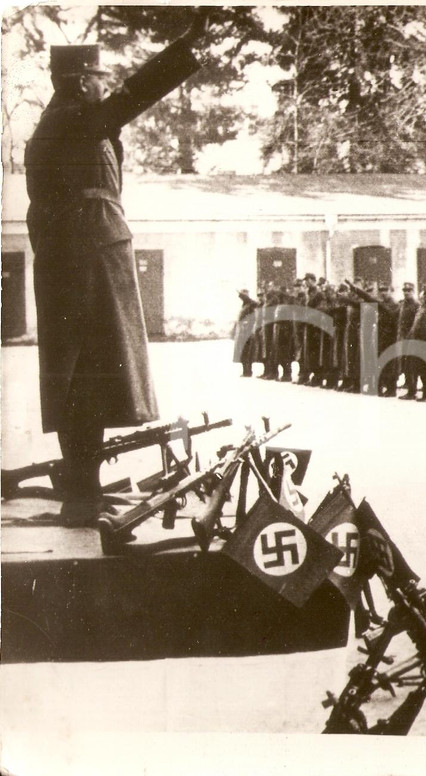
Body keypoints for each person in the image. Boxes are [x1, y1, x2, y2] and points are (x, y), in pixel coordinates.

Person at [24, 22, 208, 523]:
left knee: (95, 373)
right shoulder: (68, 120)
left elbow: (114, 118)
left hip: (91, 250)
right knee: (86, 371)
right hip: (86, 253)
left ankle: (85, 487)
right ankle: (82, 491)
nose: (106, 84)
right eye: (99, 77)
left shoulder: (75, 124)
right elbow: (128, 100)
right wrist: (184, 47)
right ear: (81, 81)